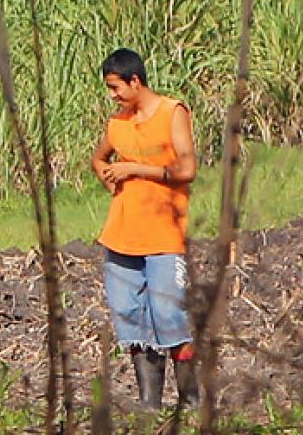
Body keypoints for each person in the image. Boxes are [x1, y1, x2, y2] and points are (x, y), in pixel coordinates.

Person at [90, 48, 199, 410]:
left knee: (171, 316)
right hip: (122, 232)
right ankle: (149, 403)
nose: (113, 95)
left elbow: (187, 170)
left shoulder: (172, 112)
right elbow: (98, 158)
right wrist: (109, 179)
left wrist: (135, 170)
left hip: (165, 233)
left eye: (115, 87)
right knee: (128, 315)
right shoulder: (117, 123)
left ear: (135, 81)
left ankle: (190, 401)